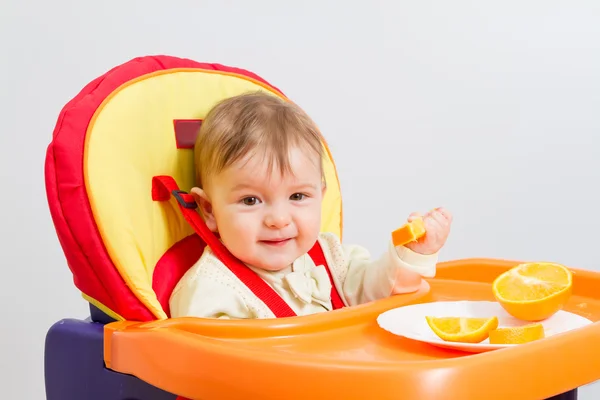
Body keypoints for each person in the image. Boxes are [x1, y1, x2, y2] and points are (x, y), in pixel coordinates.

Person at [169, 92, 453, 319]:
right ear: (209, 210)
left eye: (297, 197)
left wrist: (411, 256)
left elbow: (382, 293)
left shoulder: (330, 256)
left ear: (321, 194)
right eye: (251, 200)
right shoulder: (210, 290)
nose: (278, 219)